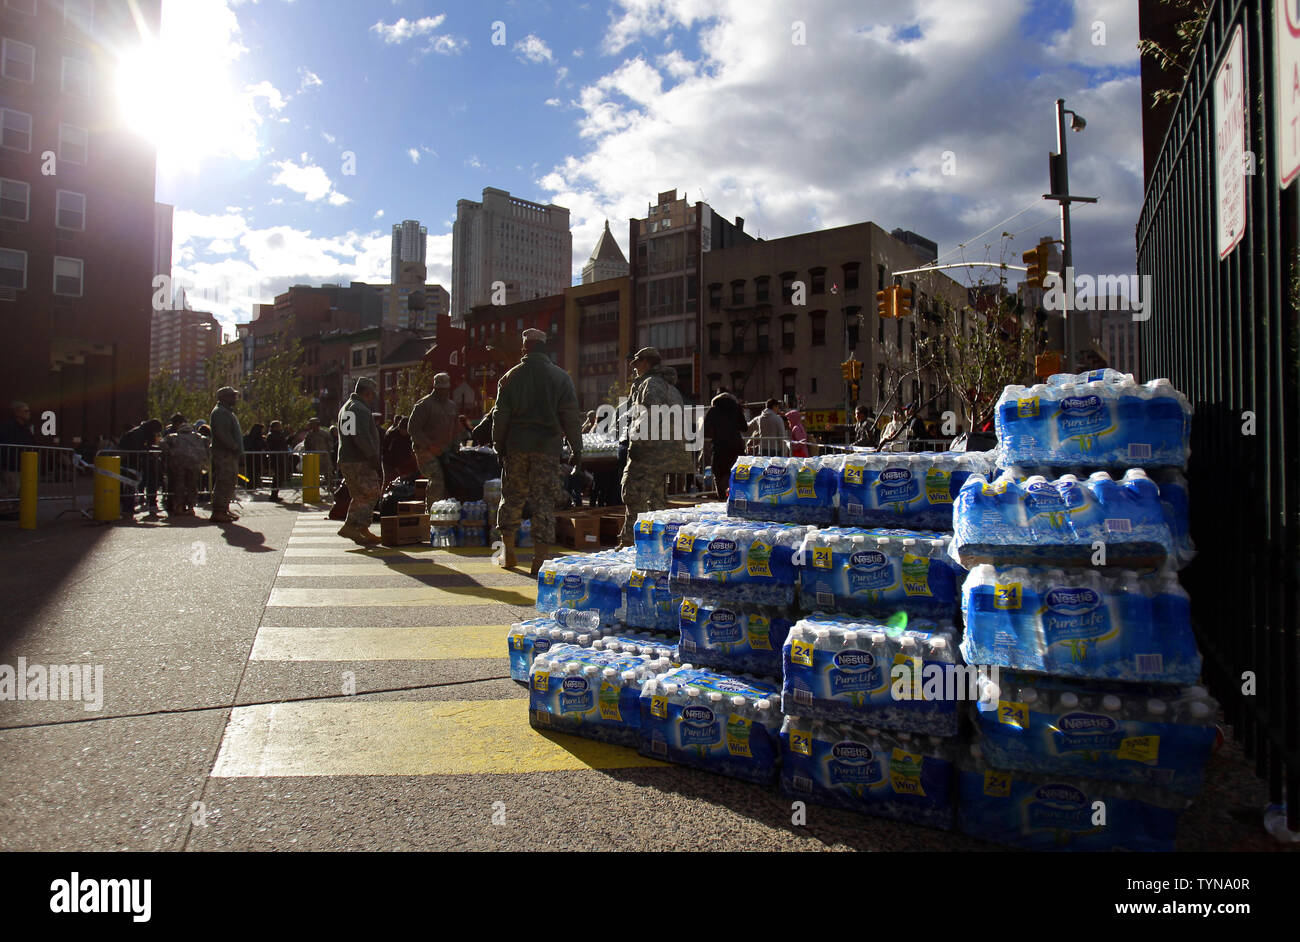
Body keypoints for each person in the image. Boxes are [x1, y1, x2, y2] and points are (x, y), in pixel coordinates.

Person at [492, 328, 582, 574]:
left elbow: (500, 416)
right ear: (545, 348)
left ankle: (508, 553)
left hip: (517, 447)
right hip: (547, 449)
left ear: (525, 348)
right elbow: (571, 417)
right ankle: (540, 559)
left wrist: (499, 445)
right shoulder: (561, 378)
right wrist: (577, 449)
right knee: (543, 501)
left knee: (512, 498)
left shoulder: (510, 377)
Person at [619, 346, 692, 546]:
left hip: (650, 451)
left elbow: (649, 416)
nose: (634, 367)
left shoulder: (651, 384)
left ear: (646, 363)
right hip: (666, 453)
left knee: (633, 493)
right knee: (656, 500)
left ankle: (630, 543)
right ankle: (656, 543)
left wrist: (638, 444)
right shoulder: (670, 387)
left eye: (636, 363)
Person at [336, 377, 384, 545]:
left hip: (347, 458)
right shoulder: (360, 409)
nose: (373, 399)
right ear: (367, 393)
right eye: (372, 395)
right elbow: (361, 437)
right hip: (360, 459)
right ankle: (351, 525)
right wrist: (372, 456)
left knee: (359, 494)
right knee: (371, 492)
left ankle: (361, 528)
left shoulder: (347, 407)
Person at [407, 373, 460, 511]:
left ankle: (448, 513)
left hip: (445, 450)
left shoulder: (452, 406)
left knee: (453, 477)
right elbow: (413, 428)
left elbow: (456, 429)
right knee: (437, 478)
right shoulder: (424, 405)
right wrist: (429, 445)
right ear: (435, 387)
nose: (443, 392)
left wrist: (456, 447)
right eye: (440, 389)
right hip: (425, 451)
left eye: (445, 389)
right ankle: (432, 514)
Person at [701, 391, 747, 500]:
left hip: (719, 446)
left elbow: (705, 430)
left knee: (718, 473)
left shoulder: (713, 410)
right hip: (737, 447)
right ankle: (736, 497)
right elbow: (745, 428)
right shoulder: (736, 410)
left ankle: (722, 497)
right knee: (736, 473)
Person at [209, 387, 244, 523]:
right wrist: (234, 446)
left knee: (229, 482)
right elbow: (222, 434)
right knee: (224, 482)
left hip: (229, 453)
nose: (234, 399)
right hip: (224, 453)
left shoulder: (226, 412)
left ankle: (224, 509)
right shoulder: (220, 413)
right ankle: (218, 511)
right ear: (223, 397)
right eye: (232, 396)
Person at [160, 420, 209, 516]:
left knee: (179, 484)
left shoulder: (174, 436)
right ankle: (191, 507)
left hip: (179, 463)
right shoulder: (198, 437)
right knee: (192, 485)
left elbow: (162, 443)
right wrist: (203, 456)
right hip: (194, 463)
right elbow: (207, 441)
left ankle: (179, 506)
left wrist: (170, 452)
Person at [117, 418, 164, 518]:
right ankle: (127, 507)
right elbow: (137, 448)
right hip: (129, 462)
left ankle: (147, 504)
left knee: (147, 481)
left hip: (137, 461)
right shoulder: (139, 433)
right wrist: (150, 450)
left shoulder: (144, 432)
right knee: (129, 484)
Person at [0, 400, 34, 519]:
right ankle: (6, 512)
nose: (29, 413)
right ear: (17, 412)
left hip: (23, 465)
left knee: (20, 490)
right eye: (26, 411)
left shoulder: (26, 428)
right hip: (10, 464)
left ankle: (15, 510)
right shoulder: (7, 427)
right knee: (11, 489)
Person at [381, 415, 418, 488]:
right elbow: (388, 453)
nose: (405, 433)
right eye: (403, 430)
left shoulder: (409, 436)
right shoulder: (391, 435)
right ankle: (383, 497)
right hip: (389, 463)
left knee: (405, 481)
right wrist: (396, 467)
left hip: (404, 463)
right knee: (388, 481)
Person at [301, 417, 335, 498]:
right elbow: (307, 446)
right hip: (314, 457)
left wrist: (328, 450)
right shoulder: (309, 435)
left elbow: (330, 442)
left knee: (329, 473)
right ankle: (315, 492)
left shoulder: (324, 434)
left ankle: (331, 488)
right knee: (314, 475)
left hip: (324, 456)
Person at [265, 420, 291, 501]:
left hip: (282, 458)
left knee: (280, 477)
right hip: (276, 459)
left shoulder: (279, 435)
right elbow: (275, 444)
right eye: (279, 426)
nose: (281, 427)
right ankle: (273, 495)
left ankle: (275, 494)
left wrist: (290, 436)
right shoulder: (271, 435)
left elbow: (284, 443)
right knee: (277, 477)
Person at [243, 423, 265, 494]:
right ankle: (252, 486)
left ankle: (252, 485)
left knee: (251, 472)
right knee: (253, 472)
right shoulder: (257, 438)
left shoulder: (247, 437)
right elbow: (262, 445)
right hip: (254, 457)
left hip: (250, 457)